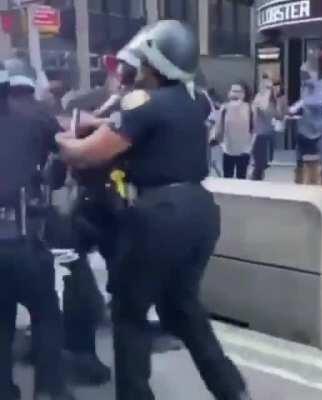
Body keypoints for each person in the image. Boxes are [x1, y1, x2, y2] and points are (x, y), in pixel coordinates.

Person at [56, 20, 252, 400]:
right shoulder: (193, 101)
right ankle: (231, 390)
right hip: (200, 211)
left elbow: (86, 154)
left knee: (129, 314)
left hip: (160, 214)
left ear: (154, 64)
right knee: (183, 309)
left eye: (141, 62)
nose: (135, 70)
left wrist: (58, 138)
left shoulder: (144, 103)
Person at [4, 58, 111, 386]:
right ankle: (56, 382)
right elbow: (71, 155)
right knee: (48, 307)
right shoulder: (38, 117)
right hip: (30, 232)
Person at [0, 62, 74, 400]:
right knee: (45, 313)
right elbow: (61, 163)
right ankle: (49, 391)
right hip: (23, 238)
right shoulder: (37, 115)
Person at [290, 65, 322, 185]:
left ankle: (319, 191)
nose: (304, 77)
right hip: (305, 131)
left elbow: (315, 102)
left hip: (319, 131)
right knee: (303, 166)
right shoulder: (306, 89)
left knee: (320, 167)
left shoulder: (321, 88)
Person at [215, 81, 253, 179]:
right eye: (234, 91)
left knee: (239, 178)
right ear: (229, 93)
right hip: (228, 149)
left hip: (243, 150)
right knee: (230, 178)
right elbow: (219, 128)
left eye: (238, 91)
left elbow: (253, 128)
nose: (235, 93)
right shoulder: (224, 108)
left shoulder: (250, 108)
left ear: (244, 94)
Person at [251, 74, 278, 180]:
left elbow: (278, 115)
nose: (269, 90)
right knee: (259, 164)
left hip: (268, 133)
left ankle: (257, 178)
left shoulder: (272, 100)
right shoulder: (259, 98)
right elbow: (258, 113)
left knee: (262, 164)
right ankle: (254, 179)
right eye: (267, 87)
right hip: (260, 134)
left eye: (270, 87)